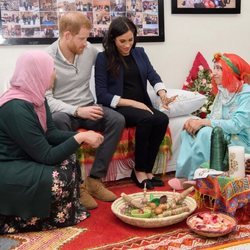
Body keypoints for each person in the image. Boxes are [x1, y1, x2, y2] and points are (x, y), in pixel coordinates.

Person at [0, 51, 104, 234]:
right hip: (9, 165)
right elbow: (46, 155)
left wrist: (84, 135)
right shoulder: (16, 107)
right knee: (59, 178)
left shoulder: (37, 98)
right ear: (37, 72)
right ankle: (36, 219)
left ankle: (68, 209)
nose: (54, 74)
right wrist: (79, 138)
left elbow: (51, 134)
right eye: (51, 69)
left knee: (70, 158)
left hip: (25, 156)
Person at [45, 12, 125, 210]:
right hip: (65, 111)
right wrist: (77, 110)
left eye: (87, 38)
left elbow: (111, 56)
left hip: (89, 106)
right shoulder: (47, 58)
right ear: (67, 36)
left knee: (117, 119)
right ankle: (77, 185)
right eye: (82, 38)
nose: (85, 42)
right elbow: (47, 99)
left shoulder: (89, 51)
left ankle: (95, 180)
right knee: (58, 121)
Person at [95, 16, 176, 190]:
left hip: (141, 105)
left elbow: (152, 75)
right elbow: (102, 95)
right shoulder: (103, 58)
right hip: (120, 107)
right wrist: (132, 103)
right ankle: (138, 171)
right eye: (122, 41)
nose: (127, 45)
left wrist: (162, 94)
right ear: (113, 39)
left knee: (162, 119)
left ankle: (148, 170)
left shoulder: (140, 53)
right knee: (147, 118)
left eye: (130, 40)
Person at [168, 53, 250, 190]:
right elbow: (213, 118)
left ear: (230, 71)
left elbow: (236, 125)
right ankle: (184, 177)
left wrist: (203, 123)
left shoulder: (246, 94)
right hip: (224, 134)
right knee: (189, 130)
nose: (214, 73)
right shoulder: (224, 91)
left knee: (206, 132)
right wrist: (195, 122)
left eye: (219, 69)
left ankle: (200, 178)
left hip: (241, 141)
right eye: (215, 68)